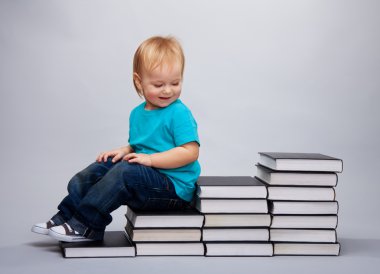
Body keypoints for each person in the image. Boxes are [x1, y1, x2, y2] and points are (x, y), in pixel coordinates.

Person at [31, 36, 201, 242]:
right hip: (146, 177)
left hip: (172, 190)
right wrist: (126, 150)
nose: (168, 90)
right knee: (98, 168)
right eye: (158, 84)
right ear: (139, 81)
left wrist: (150, 160)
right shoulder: (137, 114)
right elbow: (145, 144)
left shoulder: (179, 113)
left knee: (125, 172)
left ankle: (86, 225)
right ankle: (65, 216)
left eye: (175, 83)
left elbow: (190, 152)